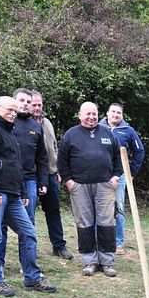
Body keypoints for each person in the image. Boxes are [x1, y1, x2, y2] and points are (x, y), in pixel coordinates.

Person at [0, 96, 57, 296]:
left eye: (15, 110)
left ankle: (32, 278)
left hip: (13, 195)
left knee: (28, 232)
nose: (12, 113)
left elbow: (16, 165)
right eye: (8, 110)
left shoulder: (10, 132)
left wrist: (21, 191)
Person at [57, 102, 122, 277]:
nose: (91, 117)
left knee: (107, 223)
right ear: (79, 115)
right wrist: (69, 182)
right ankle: (89, 261)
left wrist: (115, 177)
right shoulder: (71, 135)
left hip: (105, 186)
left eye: (94, 114)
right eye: (87, 114)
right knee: (84, 223)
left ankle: (107, 262)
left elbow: (119, 157)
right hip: (79, 187)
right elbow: (61, 162)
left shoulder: (107, 133)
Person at [0, 88, 49, 270]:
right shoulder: (5, 124)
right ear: (13, 101)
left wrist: (43, 181)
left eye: (29, 101)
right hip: (5, 182)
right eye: (22, 100)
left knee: (28, 223)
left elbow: (42, 157)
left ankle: (27, 264)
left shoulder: (36, 127)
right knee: (1, 223)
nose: (25, 104)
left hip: (29, 181)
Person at [31, 91, 73, 260]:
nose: (37, 107)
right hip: (30, 176)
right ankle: (30, 248)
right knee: (29, 214)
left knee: (53, 211)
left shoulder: (47, 123)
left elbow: (54, 147)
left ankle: (59, 246)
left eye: (39, 104)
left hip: (50, 175)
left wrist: (57, 170)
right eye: (34, 104)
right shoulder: (21, 124)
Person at [99, 103, 145, 255]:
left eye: (119, 113)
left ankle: (119, 243)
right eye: (113, 112)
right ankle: (98, 241)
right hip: (100, 174)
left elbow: (140, 151)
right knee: (99, 208)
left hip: (120, 175)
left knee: (118, 208)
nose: (116, 115)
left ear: (122, 115)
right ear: (107, 113)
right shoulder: (98, 128)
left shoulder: (128, 131)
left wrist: (131, 172)